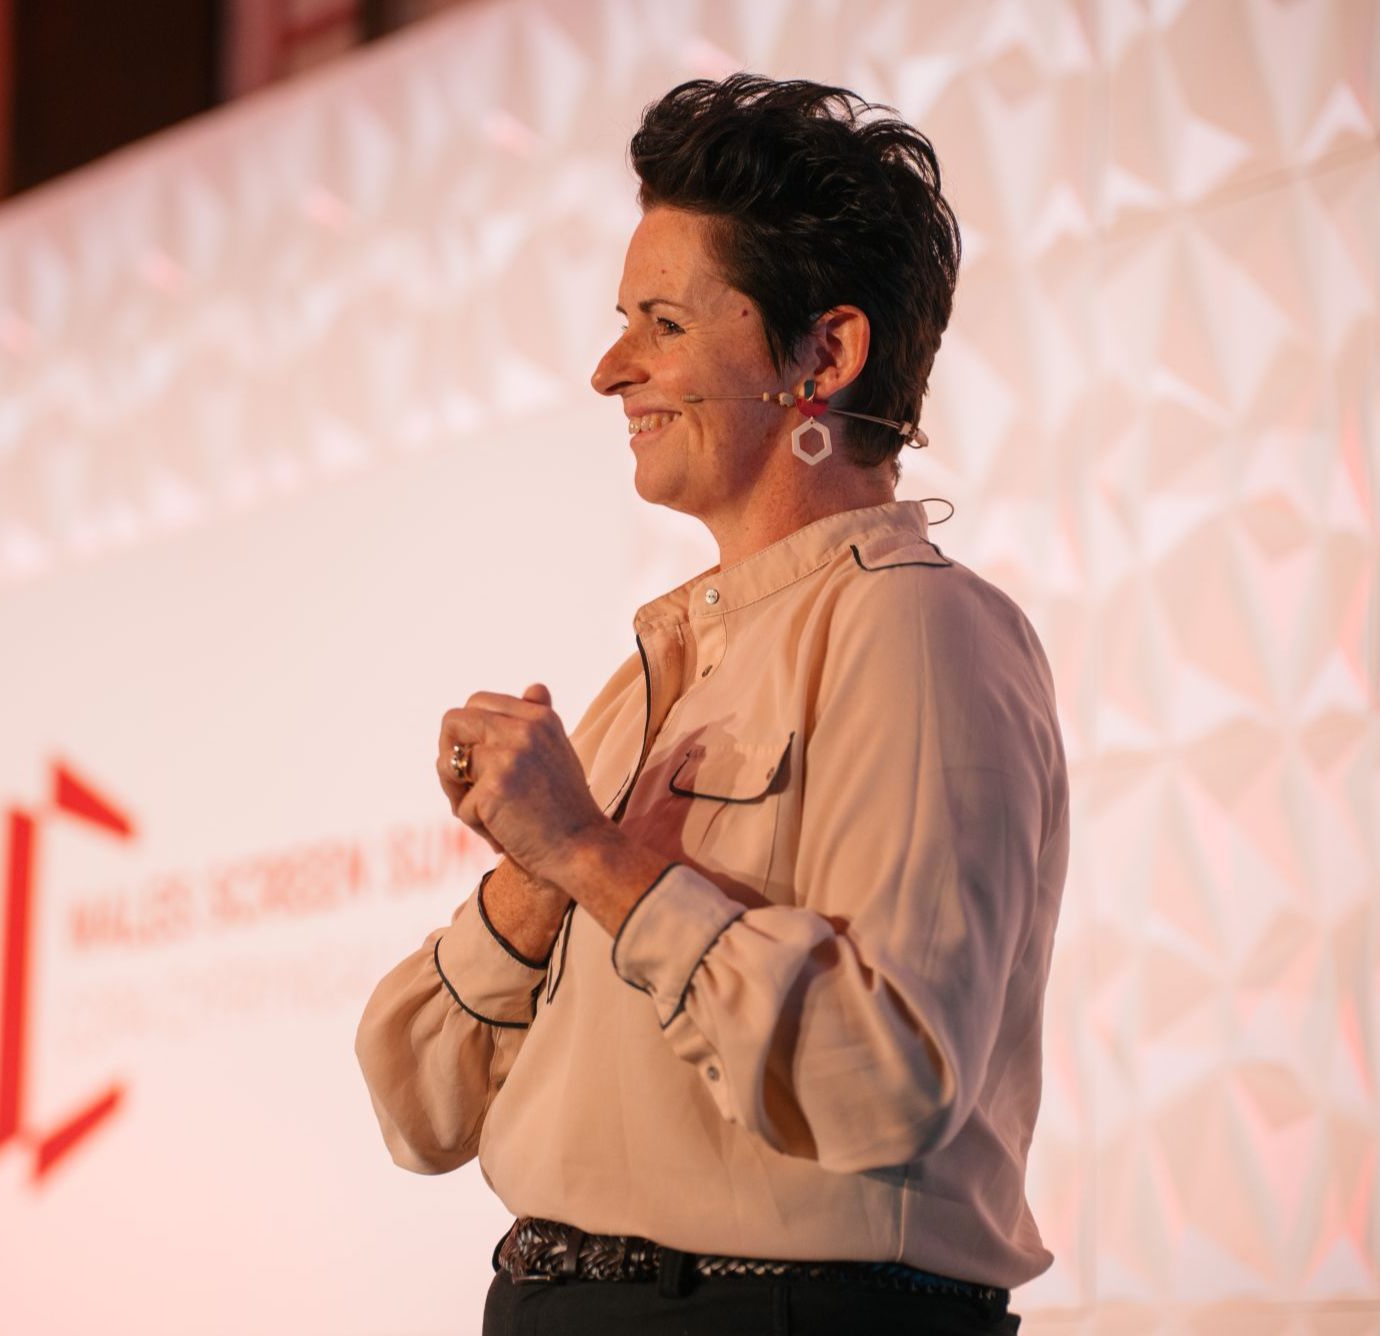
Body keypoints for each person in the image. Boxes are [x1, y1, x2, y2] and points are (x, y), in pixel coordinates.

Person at [354, 75, 1067, 1335]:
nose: (607, 368)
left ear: (823, 355)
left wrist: (588, 853)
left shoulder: (914, 626)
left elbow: (881, 1080)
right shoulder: (644, 683)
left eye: (662, 324)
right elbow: (416, 1103)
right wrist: (537, 874)